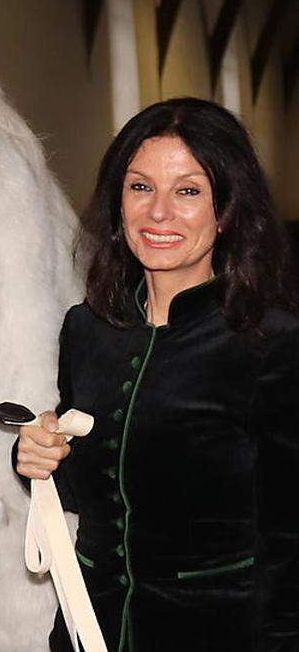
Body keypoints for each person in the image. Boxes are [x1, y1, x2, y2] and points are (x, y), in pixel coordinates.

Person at [15, 97, 299, 650]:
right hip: (88, 630)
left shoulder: (273, 346)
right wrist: (36, 457)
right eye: (140, 187)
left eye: (187, 191)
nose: (158, 213)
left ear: (227, 211)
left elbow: (291, 545)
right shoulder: (85, 329)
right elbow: (87, 484)